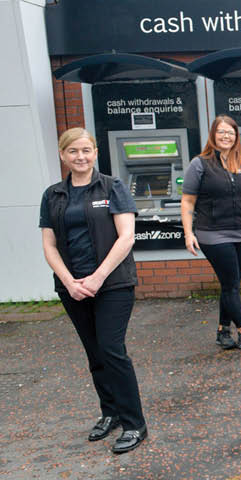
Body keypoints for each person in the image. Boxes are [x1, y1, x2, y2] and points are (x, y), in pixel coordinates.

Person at [39, 128, 147, 453]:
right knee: (95, 354)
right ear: (63, 155)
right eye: (73, 152)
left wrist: (98, 277)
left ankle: (134, 423)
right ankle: (110, 412)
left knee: (112, 350)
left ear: (95, 152)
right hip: (72, 288)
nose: (80, 157)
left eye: (85, 150)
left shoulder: (112, 187)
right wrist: (69, 282)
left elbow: (126, 237)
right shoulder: (53, 195)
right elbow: (49, 244)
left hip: (112, 283)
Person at [181, 115, 241, 350]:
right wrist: (188, 233)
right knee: (231, 283)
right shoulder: (200, 164)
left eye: (230, 132)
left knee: (229, 283)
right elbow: (188, 201)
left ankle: (223, 330)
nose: (226, 136)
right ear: (213, 135)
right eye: (221, 132)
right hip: (213, 233)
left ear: (236, 136)